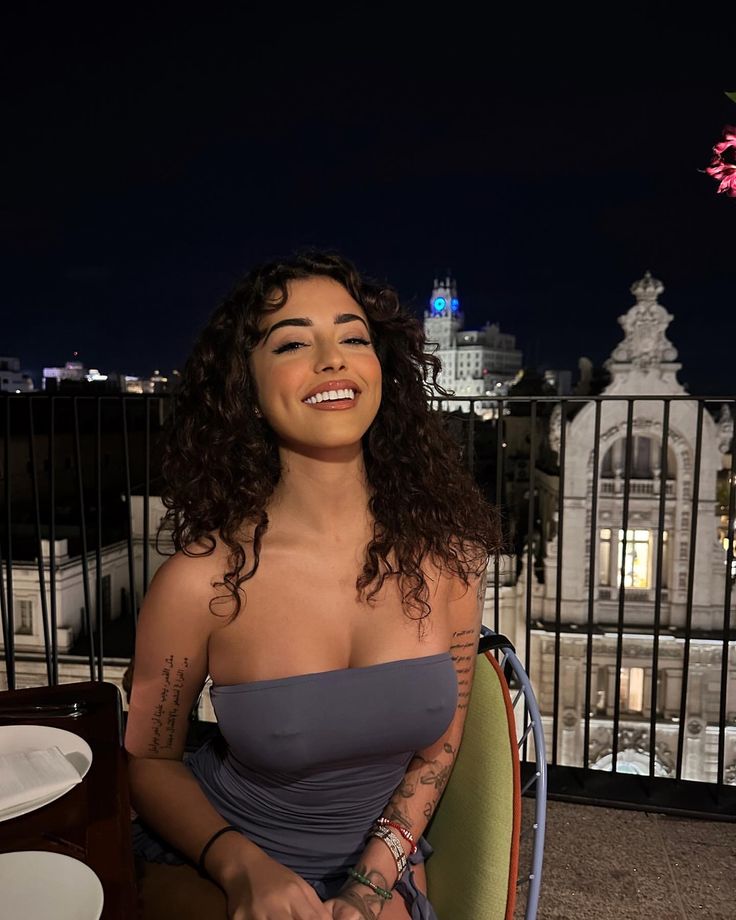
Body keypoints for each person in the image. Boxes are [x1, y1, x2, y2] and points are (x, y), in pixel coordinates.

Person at [124, 250, 498, 920]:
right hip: (215, 858)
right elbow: (151, 763)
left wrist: (371, 885)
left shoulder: (449, 560)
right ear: (248, 388)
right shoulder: (199, 580)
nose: (333, 358)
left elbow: (437, 753)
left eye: (354, 337)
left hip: (380, 866)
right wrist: (243, 869)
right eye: (294, 341)